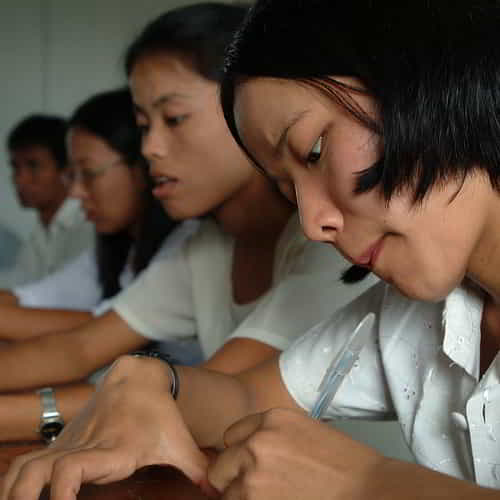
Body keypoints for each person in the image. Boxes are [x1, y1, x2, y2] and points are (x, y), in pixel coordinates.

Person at [5, 1, 500, 499]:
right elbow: (243, 398)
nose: (312, 224)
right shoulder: (406, 317)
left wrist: (373, 484)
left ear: (432, 78)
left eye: (314, 151)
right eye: (287, 187)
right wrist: (157, 384)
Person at [0, 3, 373, 448]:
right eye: (143, 125)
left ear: (251, 109)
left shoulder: (329, 240)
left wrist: (16, 416)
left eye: (174, 118)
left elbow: (199, 395)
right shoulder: (206, 245)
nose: (152, 147)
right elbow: (77, 348)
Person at [0, 87, 197, 442]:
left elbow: (85, 340)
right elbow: (41, 311)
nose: (75, 193)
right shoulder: (116, 247)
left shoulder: (191, 243)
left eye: (87, 173)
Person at [0, 114, 94, 287]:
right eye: (15, 166)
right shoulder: (37, 237)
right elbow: (17, 289)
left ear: (67, 172)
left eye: (33, 166)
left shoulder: (87, 226)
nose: (19, 179)